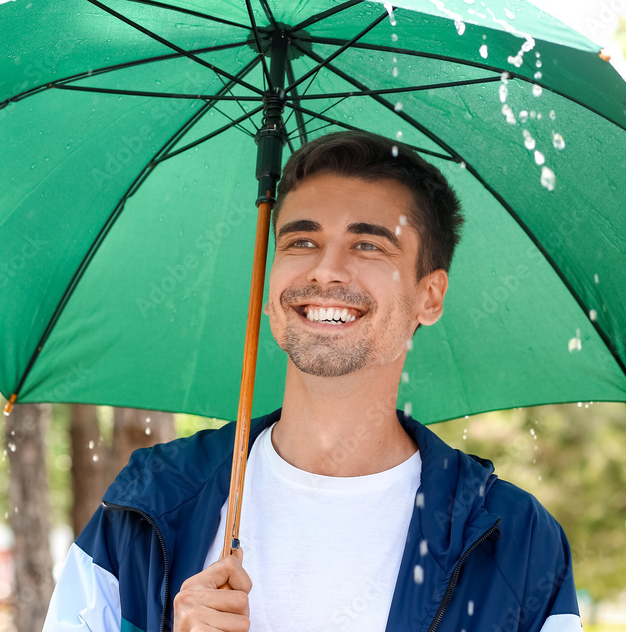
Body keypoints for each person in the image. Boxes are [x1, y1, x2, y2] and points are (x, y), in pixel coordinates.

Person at [42, 131, 582, 632]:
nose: (325, 271)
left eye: (368, 245)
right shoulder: (147, 505)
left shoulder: (518, 543)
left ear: (430, 295)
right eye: (301, 242)